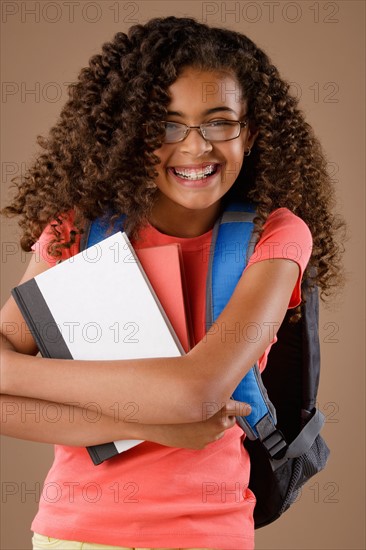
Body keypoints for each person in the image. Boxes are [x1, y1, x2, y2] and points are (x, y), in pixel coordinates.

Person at [0, 16, 345, 550]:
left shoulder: (274, 236)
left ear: (249, 133)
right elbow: (180, 408)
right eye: (166, 124)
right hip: (72, 533)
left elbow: (196, 392)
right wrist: (156, 425)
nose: (194, 147)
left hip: (208, 534)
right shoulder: (77, 230)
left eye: (219, 122)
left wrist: (14, 372)